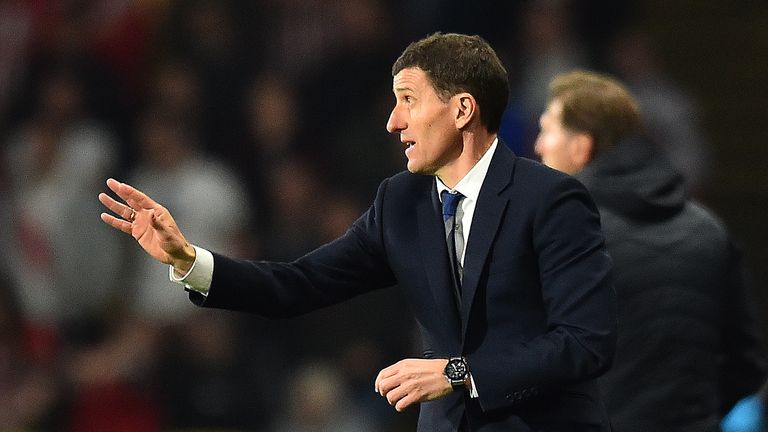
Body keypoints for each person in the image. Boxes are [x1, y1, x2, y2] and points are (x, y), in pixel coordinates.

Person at [99, 33, 617, 431]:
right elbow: (297, 284)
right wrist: (187, 259)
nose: (393, 122)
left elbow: (585, 342)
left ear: (462, 109)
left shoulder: (551, 200)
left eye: (408, 100)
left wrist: (458, 372)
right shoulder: (401, 202)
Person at [534, 70, 766, 432]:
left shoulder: (563, 233)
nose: (538, 146)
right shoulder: (710, 230)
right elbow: (748, 364)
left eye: (547, 130)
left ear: (581, 148)